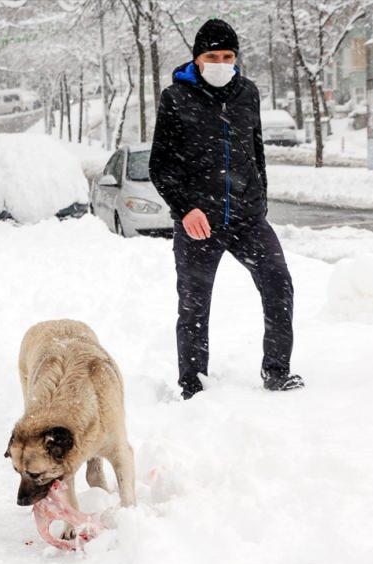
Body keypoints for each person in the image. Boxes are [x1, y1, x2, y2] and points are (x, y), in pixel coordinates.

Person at [150, 18, 303, 398]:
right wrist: (185, 209)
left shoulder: (247, 93)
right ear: (197, 59)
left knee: (279, 283)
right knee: (194, 306)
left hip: (247, 218)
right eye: (212, 56)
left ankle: (277, 371)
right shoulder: (175, 98)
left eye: (228, 56)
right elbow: (160, 165)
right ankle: (193, 385)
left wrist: (259, 201)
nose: (221, 63)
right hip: (199, 222)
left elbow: (255, 151)